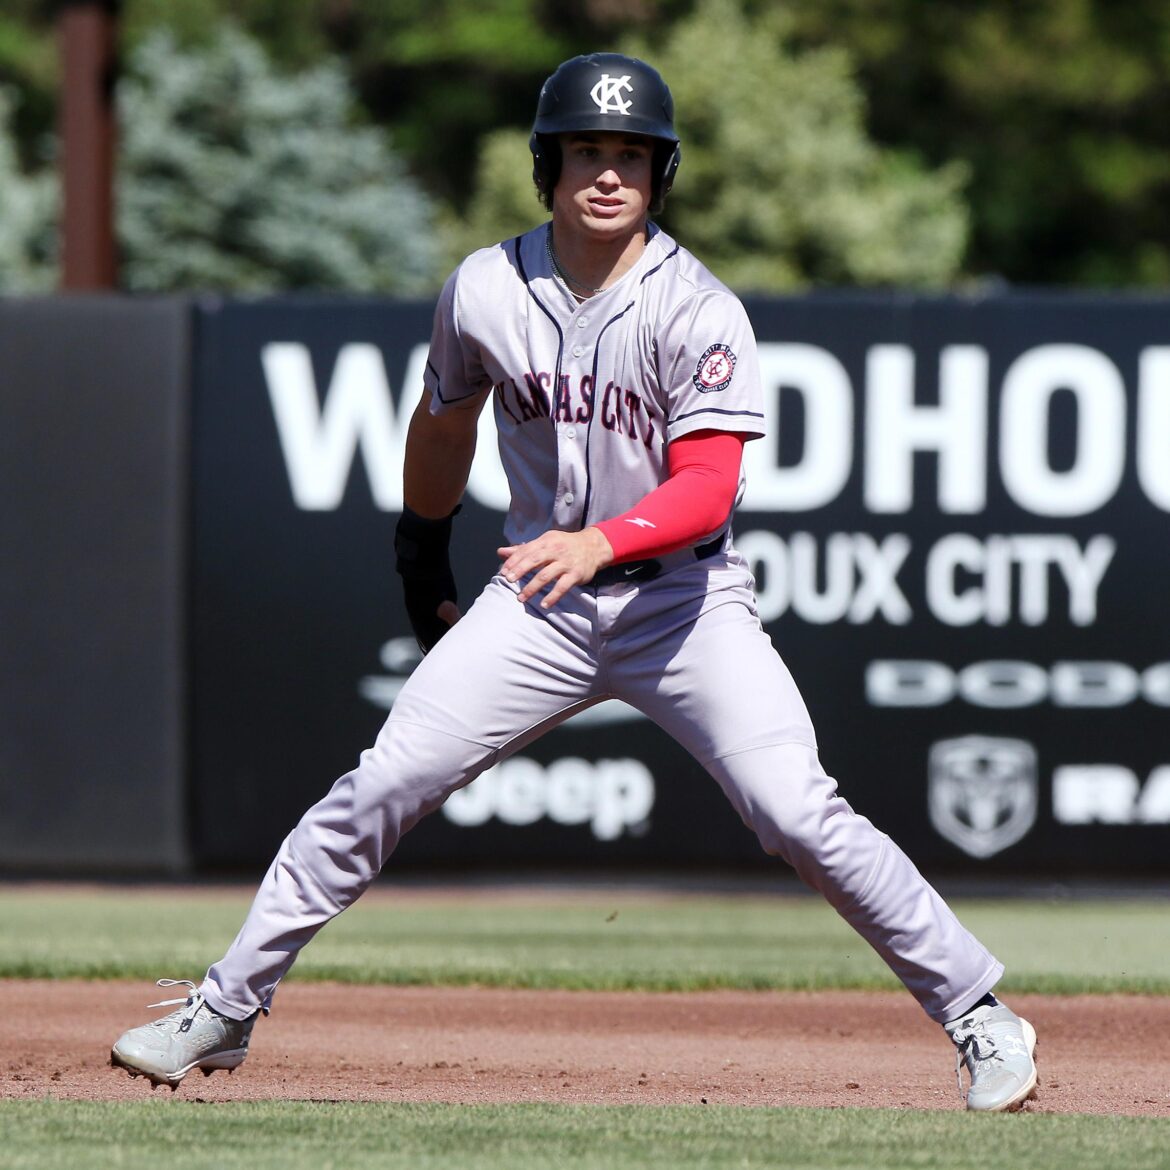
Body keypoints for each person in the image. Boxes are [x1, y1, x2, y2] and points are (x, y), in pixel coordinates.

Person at [111, 52, 1038, 1113]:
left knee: (794, 808)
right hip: (538, 607)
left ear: (660, 173)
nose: (609, 174)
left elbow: (709, 487)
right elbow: (444, 419)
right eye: (588, 152)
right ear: (547, 166)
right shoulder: (484, 288)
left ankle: (979, 1013)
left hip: (683, 606)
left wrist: (602, 544)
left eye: (632, 155)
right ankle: (225, 1006)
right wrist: (421, 546)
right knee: (383, 784)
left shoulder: (699, 307)